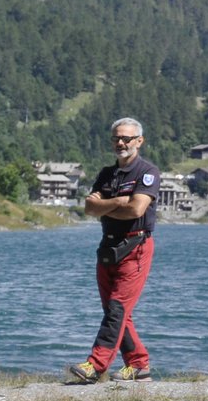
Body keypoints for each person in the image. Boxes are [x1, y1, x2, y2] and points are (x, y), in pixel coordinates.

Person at [67, 117, 159, 383]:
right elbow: (88, 208)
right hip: (108, 247)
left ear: (139, 141)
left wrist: (105, 204)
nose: (121, 143)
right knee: (115, 310)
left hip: (136, 247)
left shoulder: (147, 172)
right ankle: (139, 365)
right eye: (116, 138)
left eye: (127, 139)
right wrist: (119, 200)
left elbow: (137, 209)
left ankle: (95, 366)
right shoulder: (106, 173)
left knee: (117, 308)